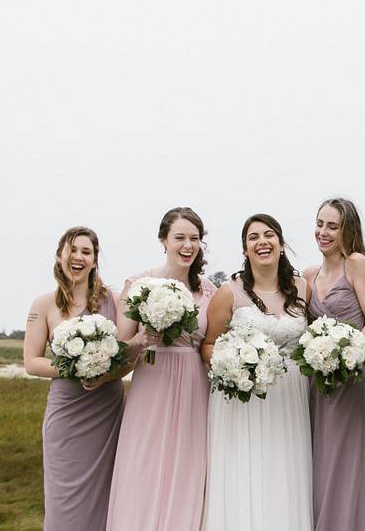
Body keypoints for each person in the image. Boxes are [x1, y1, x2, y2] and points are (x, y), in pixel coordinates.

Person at [23, 227, 144, 531]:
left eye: (86, 252)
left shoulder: (115, 300)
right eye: (72, 250)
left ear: (94, 260)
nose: (78, 257)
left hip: (107, 411)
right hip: (67, 416)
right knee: (64, 503)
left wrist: (110, 370)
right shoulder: (44, 305)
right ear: (60, 256)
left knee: (109, 499)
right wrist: (73, 367)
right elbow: (31, 362)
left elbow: (127, 359)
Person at [200, 214, 313, 531]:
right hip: (243, 398)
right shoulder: (229, 293)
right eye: (253, 237)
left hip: (291, 395)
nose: (262, 241)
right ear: (245, 249)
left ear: (280, 243)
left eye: (269, 235)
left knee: (285, 470)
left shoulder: (303, 288)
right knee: (244, 470)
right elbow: (208, 346)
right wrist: (236, 368)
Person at [106, 207, 217, 531]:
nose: (188, 245)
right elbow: (119, 348)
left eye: (194, 239)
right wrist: (142, 340)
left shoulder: (208, 290)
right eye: (180, 237)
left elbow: (210, 343)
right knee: (143, 466)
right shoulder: (140, 284)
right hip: (152, 384)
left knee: (187, 469)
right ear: (163, 240)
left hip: (195, 388)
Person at [302, 198, 365, 531]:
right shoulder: (308, 274)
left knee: (345, 459)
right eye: (320, 223)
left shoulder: (357, 264)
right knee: (319, 457)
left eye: (332, 226)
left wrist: (347, 354)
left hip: (350, 377)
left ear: (347, 229)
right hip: (317, 380)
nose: (323, 232)